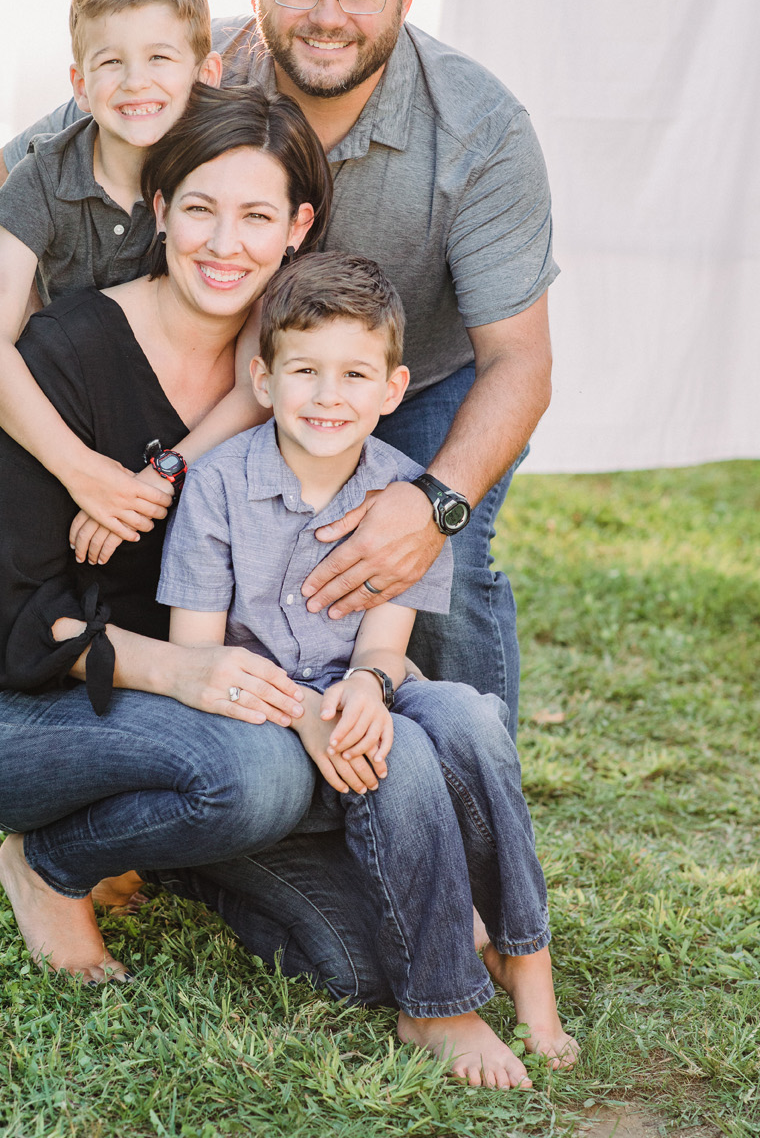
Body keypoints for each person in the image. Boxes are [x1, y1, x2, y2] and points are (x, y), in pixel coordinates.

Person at [0, 0, 558, 735]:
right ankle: (242, 789)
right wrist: (70, 363)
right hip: (240, 380)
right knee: (215, 551)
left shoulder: (480, 130)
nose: (328, 16)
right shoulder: (186, 73)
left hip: (414, 383)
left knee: (441, 568)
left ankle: (465, 808)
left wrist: (432, 503)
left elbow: (519, 360)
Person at [156, 253, 577, 1088]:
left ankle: (527, 963)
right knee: (403, 752)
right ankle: (437, 1007)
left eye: (354, 374)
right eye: (304, 371)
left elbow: (386, 646)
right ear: (263, 379)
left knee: (471, 717)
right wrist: (320, 709)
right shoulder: (217, 487)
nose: (328, 396)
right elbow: (198, 655)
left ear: (392, 389)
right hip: (261, 711)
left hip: (362, 688)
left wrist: (368, 685)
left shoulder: (402, 497)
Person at [0, 83, 326, 984]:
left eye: (257, 216)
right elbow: (15, 620)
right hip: (21, 710)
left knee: (344, 946)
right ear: (160, 209)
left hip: (195, 707)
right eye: (200, 209)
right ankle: (47, 864)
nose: (226, 246)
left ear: (297, 229)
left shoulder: (294, 378)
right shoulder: (66, 351)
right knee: (258, 777)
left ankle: (159, 844)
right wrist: (187, 673)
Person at [0, 0, 266, 564]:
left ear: (205, 74)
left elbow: (254, 381)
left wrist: (163, 476)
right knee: (37, 581)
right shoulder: (45, 176)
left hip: (192, 430)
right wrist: (82, 470)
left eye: (160, 58)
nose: (135, 82)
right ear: (79, 83)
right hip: (74, 425)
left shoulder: (223, 177)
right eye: (111, 62)